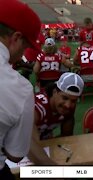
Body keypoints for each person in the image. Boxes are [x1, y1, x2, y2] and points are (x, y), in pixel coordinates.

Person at [0, 0, 41, 178]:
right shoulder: (20, 88)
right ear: (16, 38)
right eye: (25, 46)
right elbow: (15, 154)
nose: (22, 54)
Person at [28, 72, 84, 165]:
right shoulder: (37, 107)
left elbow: (67, 137)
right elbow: (28, 143)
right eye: (64, 98)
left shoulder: (69, 107)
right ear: (55, 92)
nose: (68, 105)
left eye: (73, 101)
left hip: (44, 146)